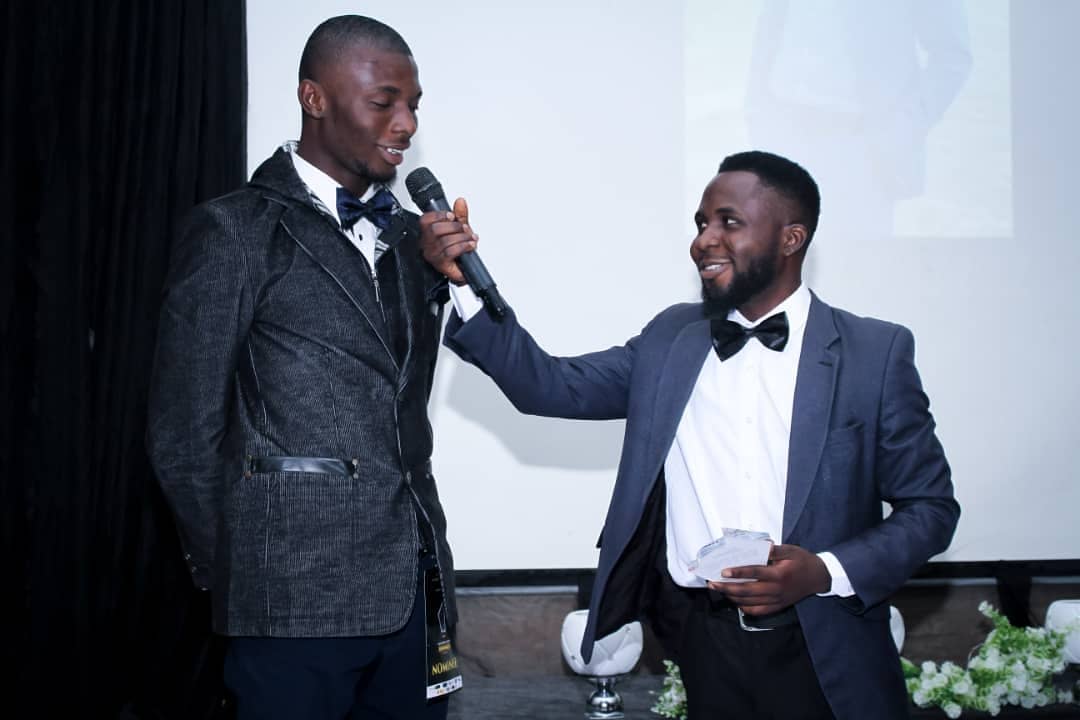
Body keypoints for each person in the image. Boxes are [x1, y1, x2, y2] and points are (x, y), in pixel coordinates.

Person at [420, 150, 959, 719]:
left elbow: (931, 509)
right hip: (705, 646)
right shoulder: (671, 339)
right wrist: (468, 286)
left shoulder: (873, 353)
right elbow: (549, 387)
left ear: (791, 238)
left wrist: (822, 571)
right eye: (701, 223)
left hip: (829, 646)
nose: (704, 240)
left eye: (729, 222)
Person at [147, 15, 457, 720]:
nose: (406, 124)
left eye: (414, 106)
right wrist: (248, 569)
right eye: (384, 102)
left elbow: (399, 403)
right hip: (287, 598)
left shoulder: (412, 240)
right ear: (314, 98)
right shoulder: (234, 230)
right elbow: (182, 434)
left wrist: (449, 281)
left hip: (416, 589)